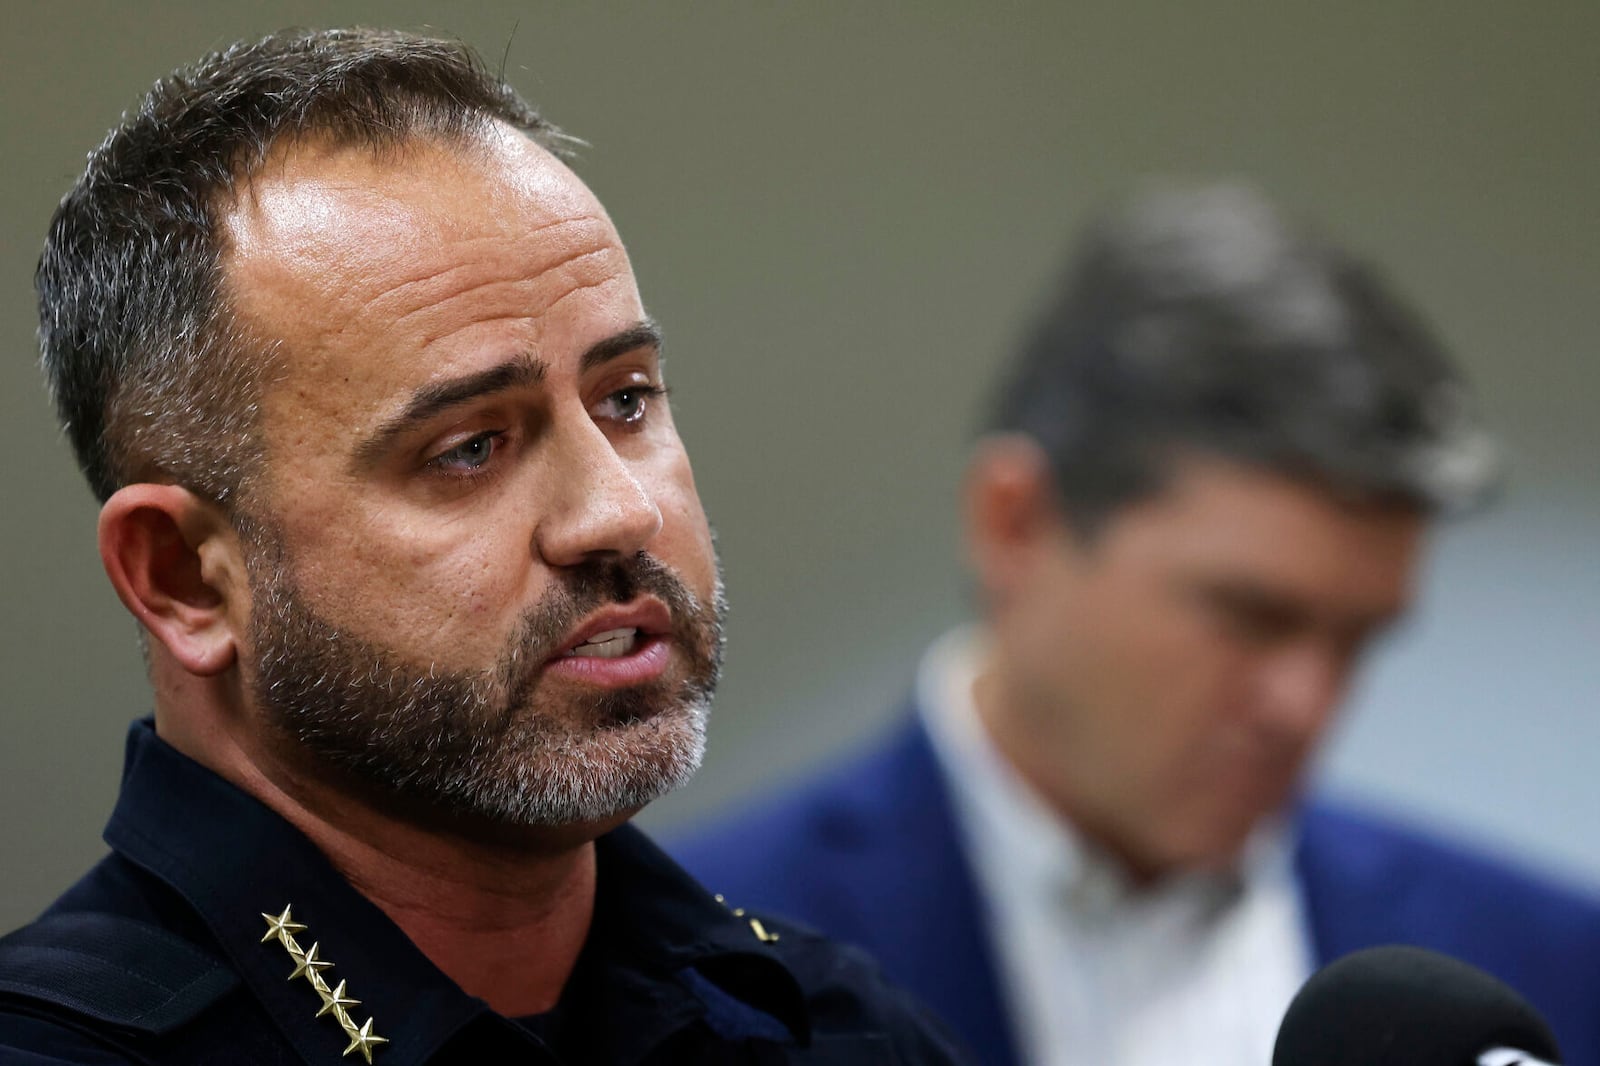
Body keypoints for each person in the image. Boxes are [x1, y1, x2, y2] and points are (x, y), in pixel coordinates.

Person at [0, 28, 967, 1066]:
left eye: (626, 398)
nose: (617, 512)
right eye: (468, 449)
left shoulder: (832, 1026)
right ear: (184, 576)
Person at [670, 183, 1600, 1066]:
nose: (1305, 706)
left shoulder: (1549, 968)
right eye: (1251, 616)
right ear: (1015, 524)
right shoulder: (687, 958)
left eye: (1358, 639)